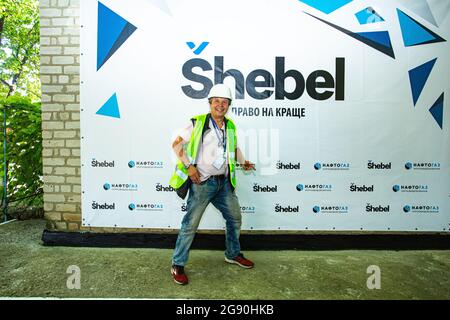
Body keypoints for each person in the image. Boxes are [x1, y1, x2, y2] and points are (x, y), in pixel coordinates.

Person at [169, 83, 256, 285]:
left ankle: (232, 254)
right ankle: (177, 264)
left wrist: (243, 162)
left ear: (228, 105)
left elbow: (233, 148)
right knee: (190, 225)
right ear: (210, 103)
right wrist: (189, 166)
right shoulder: (197, 122)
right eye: (216, 101)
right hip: (202, 184)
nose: (220, 105)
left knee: (234, 219)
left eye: (224, 102)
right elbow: (176, 144)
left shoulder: (230, 125)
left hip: (223, 184)